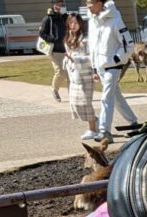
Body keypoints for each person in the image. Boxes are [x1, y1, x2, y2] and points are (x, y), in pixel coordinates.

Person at [86, 0, 137, 142]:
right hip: (100, 67)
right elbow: (92, 46)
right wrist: (94, 67)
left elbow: (128, 45)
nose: (88, 6)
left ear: (99, 3)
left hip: (113, 66)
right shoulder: (92, 22)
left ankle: (104, 131)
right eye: (86, 2)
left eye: (90, 2)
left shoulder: (115, 19)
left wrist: (116, 59)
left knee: (106, 97)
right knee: (115, 96)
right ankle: (133, 122)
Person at [63, 12, 98, 140]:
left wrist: (76, 59)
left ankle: (92, 128)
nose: (73, 25)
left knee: (85, 102)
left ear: (80, 24)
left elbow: (91, 57)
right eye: (70, 23)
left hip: (85, 74)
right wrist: (68, 60)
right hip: (73, 74)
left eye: (75, 23)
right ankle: (96, 122)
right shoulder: (68, 38)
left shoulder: (85, 39)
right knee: (74, 102)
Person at [39, 0, 68, 102]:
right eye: (57, 4)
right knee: (60, 71)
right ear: (53, 5)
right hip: (55, 50)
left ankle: (73, 94)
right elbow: (42, 33)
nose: (59, 6)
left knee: (70, 73)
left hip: (67, 49)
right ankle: (54, 90)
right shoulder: (48, 18)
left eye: (61, 4)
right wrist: (53, 39)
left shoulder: (65, 17)